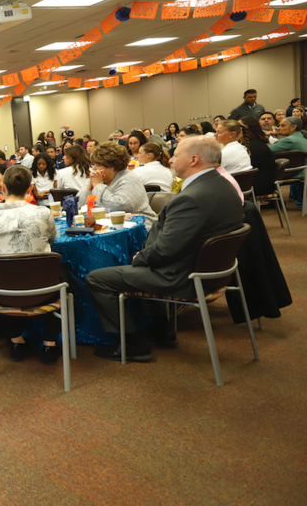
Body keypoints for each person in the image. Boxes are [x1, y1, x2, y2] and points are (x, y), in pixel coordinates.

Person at [86, 137, 244, 362]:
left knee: (97, 278)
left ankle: (132, 345)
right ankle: (162, 330)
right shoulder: (223, 185)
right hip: (210, 270)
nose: (170, 159)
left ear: (194, 159)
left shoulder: (192, 198)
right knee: (140, 266)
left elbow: (164, 252)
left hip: (182, 276)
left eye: (176, 154)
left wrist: (139, 258)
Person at [0, 165, 61, 364]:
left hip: (0, 291)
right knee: (56, 275)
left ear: (3, 188)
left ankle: (16, 340)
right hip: (42, 289)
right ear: (30, 189)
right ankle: (49, 344)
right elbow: (51, 240)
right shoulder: (43, 213)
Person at [86, 142, 156, 224]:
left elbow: (119, 207)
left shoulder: (129, 178)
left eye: (98, 165)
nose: (94, 168)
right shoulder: (101, 178)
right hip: (112, 224)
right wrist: (90, 186)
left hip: (140, 226)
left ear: (111, 166)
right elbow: (79, 204)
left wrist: (98, 186)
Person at [238, 116, 277, 196]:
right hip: (261, 182)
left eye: (238, 126)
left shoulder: (254, 145)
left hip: (259, 186)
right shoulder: (255, 142)